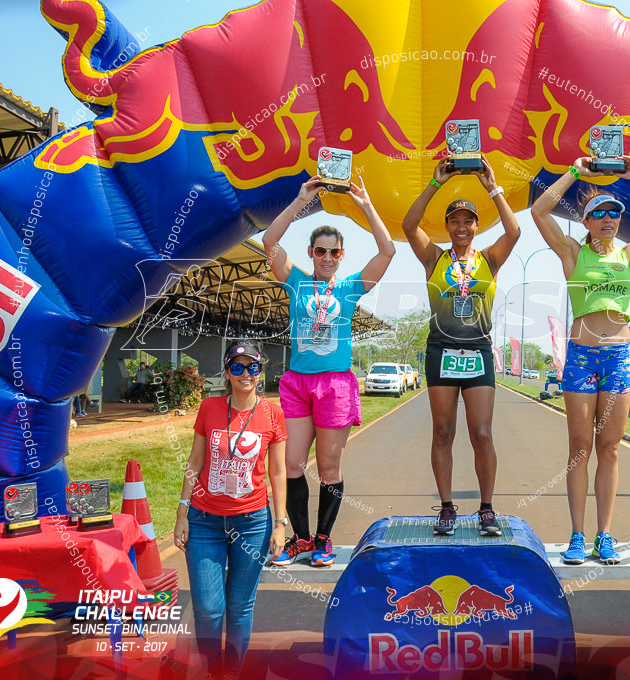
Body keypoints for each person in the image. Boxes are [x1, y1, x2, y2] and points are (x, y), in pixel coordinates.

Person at [531, 154, 630, 564]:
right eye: (599, 213)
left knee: (610, 448)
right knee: (580, 449)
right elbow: (538, 210)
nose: (608, 219)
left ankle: (605, 535)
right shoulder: (570, 252)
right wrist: (575, 173)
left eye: (614, 213)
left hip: (617, 357)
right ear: (585, 222)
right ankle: (578, 536)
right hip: (581, 358)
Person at [262, 175, 394, 567]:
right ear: (311, 252)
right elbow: (270, 242)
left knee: (331, 467)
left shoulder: (351, 286)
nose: (327, 257)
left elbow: (387, 251)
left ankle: (323, 540)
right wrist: (301, 200)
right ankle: (299, 539)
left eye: (333, 252)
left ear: (342, 255)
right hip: (298, 383)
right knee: (292, 465)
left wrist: (366, 203)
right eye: (320, 251)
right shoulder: (296, 282)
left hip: (335, 385)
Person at [402, 157, 520, 536]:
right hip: (441, 351)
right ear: (448, 226)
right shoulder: (434, 257)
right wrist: (436, 184)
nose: (462, 226)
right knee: (442, 432)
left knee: (481, 433)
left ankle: (486, 508)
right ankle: (448, 509)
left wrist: (493, 187)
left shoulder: (489, 259)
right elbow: (408, 225)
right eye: (455, 220)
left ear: (476, 225)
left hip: (478, 352)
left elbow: (514, 231)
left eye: (469, 220)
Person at [172, 341, 287, 679]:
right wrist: (182, 513)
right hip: (204, 519)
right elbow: (195, 462)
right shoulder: (209, 407)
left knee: (239, 606)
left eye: (252, 366)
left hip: (252, 521)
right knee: (208, 608)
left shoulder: (272, 413)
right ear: (226, 372)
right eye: (237, 367)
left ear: (261, 371)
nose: (245, 373)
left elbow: (278, 472)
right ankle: (212, 670)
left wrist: (280, 524)